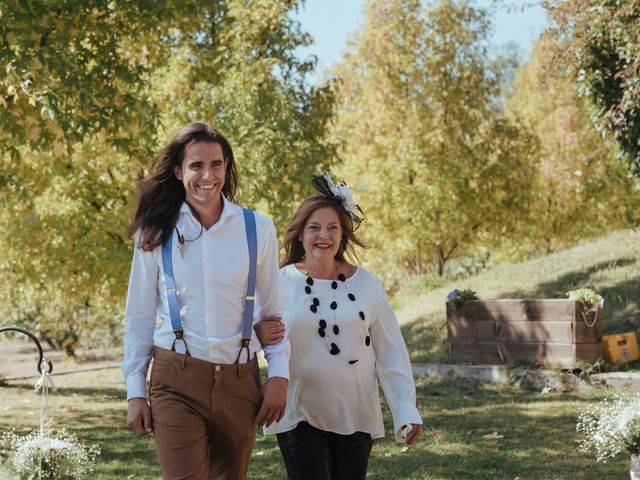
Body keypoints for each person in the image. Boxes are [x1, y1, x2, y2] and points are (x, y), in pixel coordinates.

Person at [121, 122, 290, 480]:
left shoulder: (258, 228)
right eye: (196, 165)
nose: (206, 175)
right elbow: (139, 317)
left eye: (215, 164)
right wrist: (135, 390)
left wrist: (279, 374)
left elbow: (274, 313)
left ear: (226, 167)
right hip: (175, 379)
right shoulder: (155, 231)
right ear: (179, 171)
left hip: (241, 379)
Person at [256, 174, 422, 480]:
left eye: (332, 228)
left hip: (356, 414)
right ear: (300, 234)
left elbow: (390, 351)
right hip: (298, 413)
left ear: (343, 235)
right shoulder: (278, 283)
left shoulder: (367, 284)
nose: (324, 236)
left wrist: (405, 408)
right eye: (314, 227)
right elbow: (249, 339)